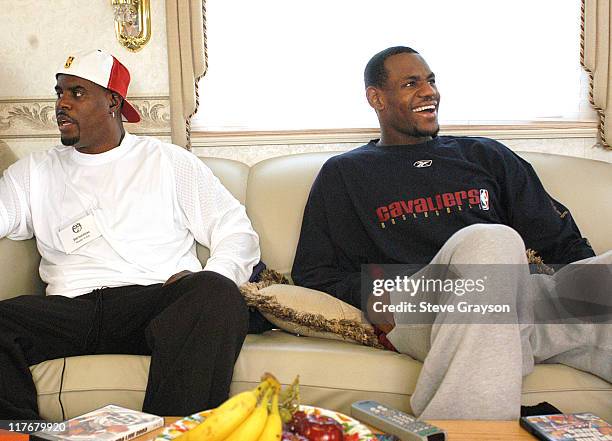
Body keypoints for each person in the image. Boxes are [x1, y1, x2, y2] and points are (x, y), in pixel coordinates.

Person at [292, 46, 611, 420]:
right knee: (492, 239)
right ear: (376, 98)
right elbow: (314, 272)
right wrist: (378, 296)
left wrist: (586, 294)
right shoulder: (346, 174)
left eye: (430, 81)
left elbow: (560, 240)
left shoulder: (484, 155)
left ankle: (505, 347)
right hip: (419, 304)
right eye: (411, 83)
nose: (429, 92)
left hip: (512, 301)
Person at [0, 49, 260, 420]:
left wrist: (213, 275)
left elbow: (235, 230)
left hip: (153, 303)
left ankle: (169, 432)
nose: (62, 104)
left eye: (77, 93)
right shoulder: (34, 171)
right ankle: (21, 433)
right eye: (59, 93)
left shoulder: (168, 161)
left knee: (215, 292)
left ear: (112, 102)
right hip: (73, 310)